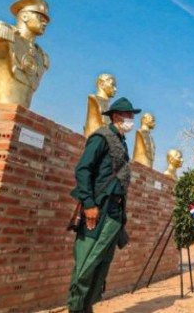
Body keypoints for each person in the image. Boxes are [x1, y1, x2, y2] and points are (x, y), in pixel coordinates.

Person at [67, 97, 141, 313]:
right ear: (117, 115)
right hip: (98, 209)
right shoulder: (101, 137)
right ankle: (75, 307)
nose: (131, 120)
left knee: (102, 263)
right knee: (87, 263)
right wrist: (89, 204)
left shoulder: (121, 141)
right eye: (129, 116)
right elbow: (83, 170)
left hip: (115, 212)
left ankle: (87, 306)